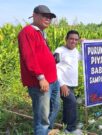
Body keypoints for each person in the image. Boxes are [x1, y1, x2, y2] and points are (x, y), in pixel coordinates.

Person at [17, 5, 60, 135]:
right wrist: (41, 77)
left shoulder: (40, 32)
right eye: (44, 16)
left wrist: (52, 58)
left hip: (53, 79)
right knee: (42, 117)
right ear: (34, 15)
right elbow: (29, 57)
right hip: (40, 82)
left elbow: (39, 53)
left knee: (55, 107)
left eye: (50, 17)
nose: (48, 19)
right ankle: (42, 131)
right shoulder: (27, 32)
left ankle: (47, 131)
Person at [54, 30, 83, 135]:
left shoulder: (76, 51)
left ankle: (65, 125)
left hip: (71, 84)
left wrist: (85, 45)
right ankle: (70, 129)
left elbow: (85, 58)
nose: (73, 41)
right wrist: (62, 84)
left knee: (68, 104)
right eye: (71, 39)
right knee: (72, 102)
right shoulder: (59, 51)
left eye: (76, 39)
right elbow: (53, 68)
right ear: (66, 39)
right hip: (62, 84)